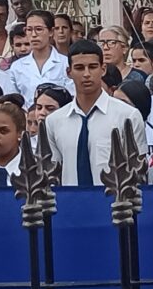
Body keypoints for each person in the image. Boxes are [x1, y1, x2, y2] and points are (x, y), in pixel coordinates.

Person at [42, 42, 144, 186]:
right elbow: (52, 172)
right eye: (79, 68)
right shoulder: (54, 121)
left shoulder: (128, 116)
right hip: (71, 203)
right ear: (68, 72)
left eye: (92, 67)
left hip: (115, 204)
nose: (86, 74)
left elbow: (137, 171)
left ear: (103, 69)